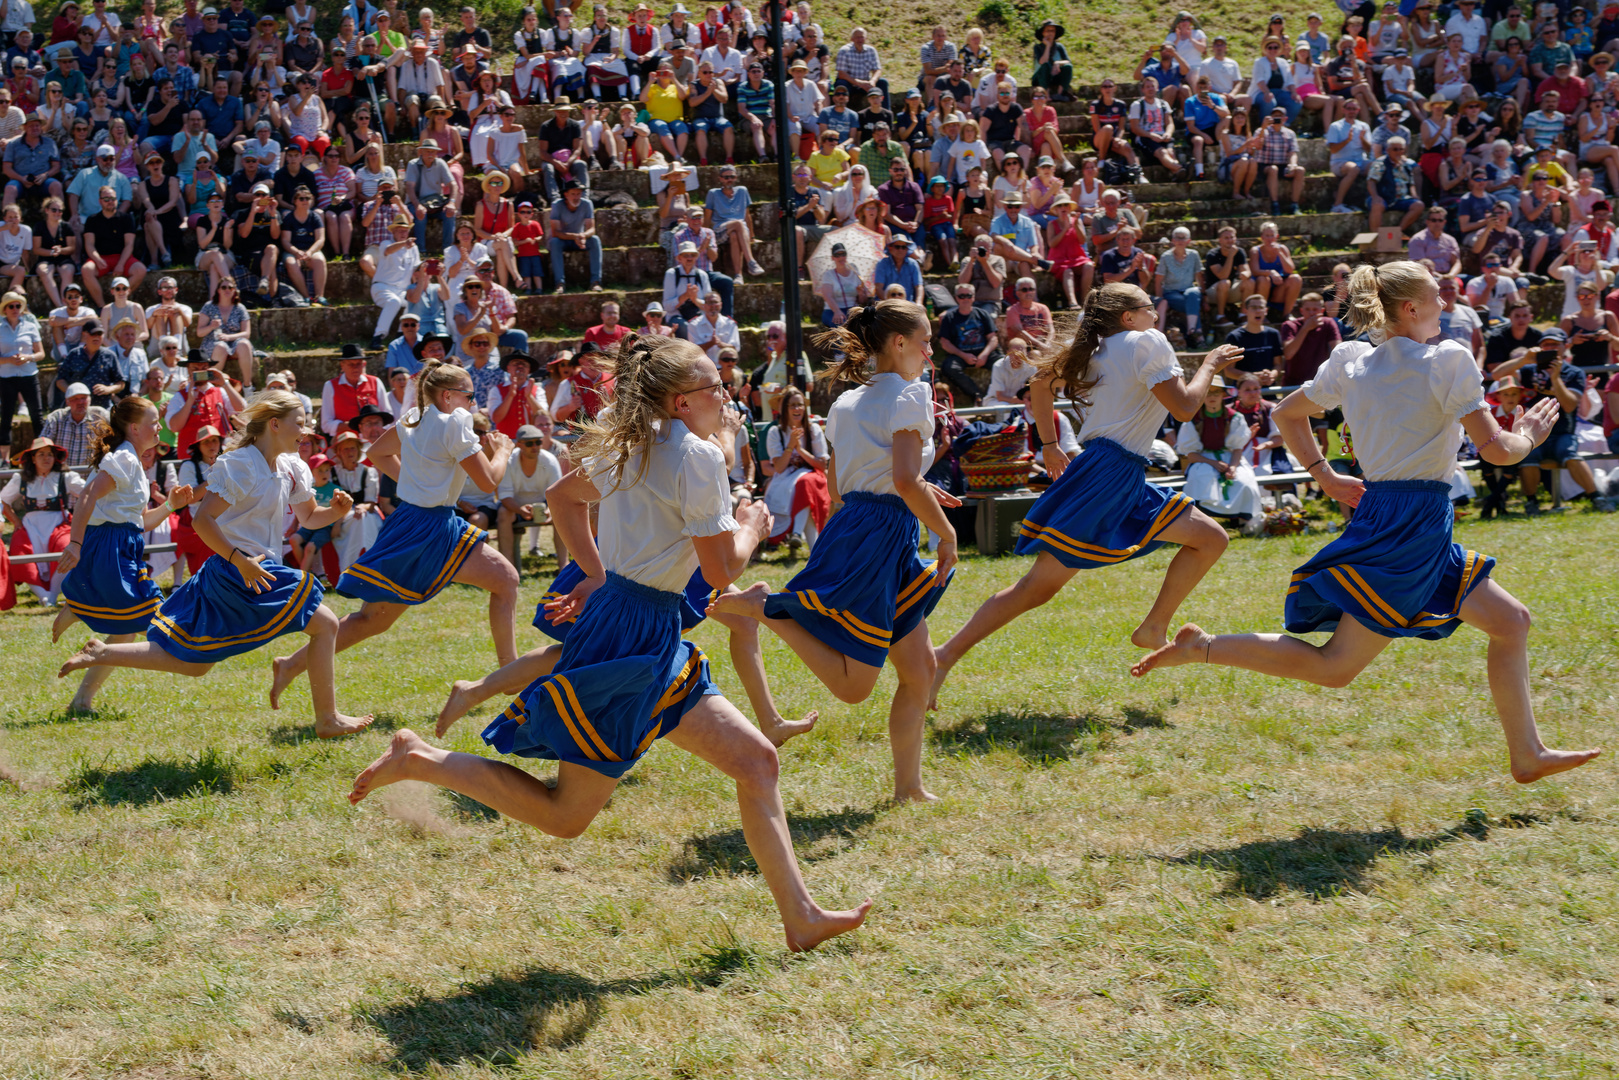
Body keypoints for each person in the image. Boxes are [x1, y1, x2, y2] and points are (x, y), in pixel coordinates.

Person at [1132, 261, 1602, 786]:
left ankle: (1528, 754)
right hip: (1411, 526)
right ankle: (1204, 648)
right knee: (1335, 667)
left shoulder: (1354, 362)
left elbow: (1287, 414)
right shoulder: (1446, 359)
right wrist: (1531, 435)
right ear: (1411, 309)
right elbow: (1498, 452)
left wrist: (1325, 476)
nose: (1445, 307)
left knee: (1510, 622)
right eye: (1437, 298)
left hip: (1401, 518)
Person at [931, 282, 1240, 708]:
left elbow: (1038, 386)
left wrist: (1049, 444)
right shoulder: (1147, 340)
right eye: (1149, 308)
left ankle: (1153, 628)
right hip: (1109, 472)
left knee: (1210, 538)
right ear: (1129, 317)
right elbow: (1186, 408)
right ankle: (942, 657)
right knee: (1035, 588)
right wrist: (1209, 364)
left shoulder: (1093, 350)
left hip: (1116, 469)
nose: (1156, 314)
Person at [59, 389, 375, 736]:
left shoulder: (291, 467)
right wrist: (240, 562)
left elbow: (310, 516)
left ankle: (102, 651)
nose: (306, 430)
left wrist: (336, 512)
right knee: (326, 623)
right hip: (235, 571)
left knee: (196, 665)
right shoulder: (240, 465)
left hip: (253, 571)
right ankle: (327, 719)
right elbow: (203, 521)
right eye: (299, 423)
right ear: (274, 424)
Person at [268, 360, 521, 708]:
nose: (473, 402)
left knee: (374, 619)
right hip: (428, 528)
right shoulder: (456, 424)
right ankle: (510, 676)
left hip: (421, 521)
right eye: (469, 394)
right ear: (448, 396)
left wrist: (413, 485)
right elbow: (489, 481)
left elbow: (376, 452)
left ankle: (510, 677)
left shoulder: (416, 417)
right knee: (375, 619)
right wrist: (504, 450)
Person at [51, 395, 194, 713]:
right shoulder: (125, 459)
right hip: (111, 547)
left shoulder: (131, 460)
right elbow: (87, 493)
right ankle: (80, 608)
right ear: (134, 427)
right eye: (154, 422)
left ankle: (82, 700)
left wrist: (170, 505)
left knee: (126, 627)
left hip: (121, 543)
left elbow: (140, 521)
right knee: (157, 621)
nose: (159, 427)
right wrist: (75, 543)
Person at [3, 435, 82, 605]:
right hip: (31, 527)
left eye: (50, 454)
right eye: (41, 454)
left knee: (65, 547)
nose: (46, 458)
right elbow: (3, 501)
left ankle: (52, 594)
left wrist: (78, 518)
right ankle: (42, 595)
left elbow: (88, 494)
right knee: (18, 547)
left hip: (58, 525)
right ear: (32, 458)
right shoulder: (21, 479)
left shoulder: (66, 477)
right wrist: (16, 522)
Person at [494, 421, 561, 565]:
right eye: (530, 444)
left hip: (543, 505)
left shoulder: (549, 460)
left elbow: (558, 495)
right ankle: (507, 566)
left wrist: (550, 510)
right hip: (515, 506)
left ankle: (564, 566)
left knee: (561, 513)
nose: (535, 447)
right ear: (519, 444)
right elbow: (504, 497)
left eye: (538, 442)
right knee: (503, 514)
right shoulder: (509, 462)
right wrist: (520, 510)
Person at [166, 421, 223, 584]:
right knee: (206, 564)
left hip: (225, 519)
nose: (211, 445)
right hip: (195, 522)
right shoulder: (189, 466)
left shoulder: (228, 462)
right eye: (206, 441)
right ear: (198, 446)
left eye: (215, 440)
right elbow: (189, 498)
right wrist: (214, 477)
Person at [0, 289, 46, 463]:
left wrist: (28, 357)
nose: (14, 308)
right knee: (6, 417)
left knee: (37, 415)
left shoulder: (30, 326)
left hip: (28, 374)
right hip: (7, 377)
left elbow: (41, 353)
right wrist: (8, 360)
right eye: (10, 306)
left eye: (17, 305)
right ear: (5, 309)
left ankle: (43, 454)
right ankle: (4, 460)